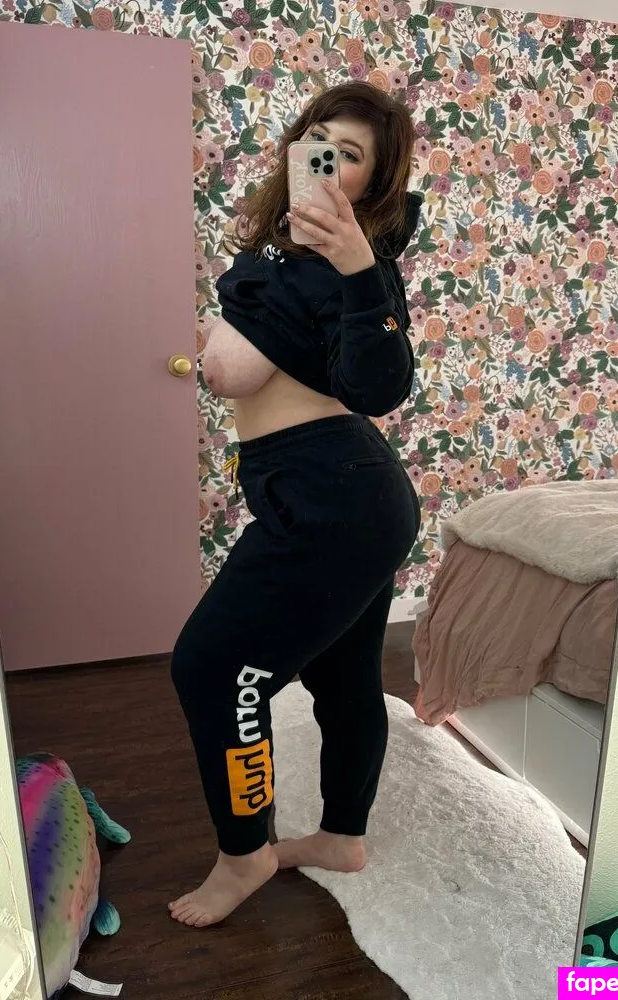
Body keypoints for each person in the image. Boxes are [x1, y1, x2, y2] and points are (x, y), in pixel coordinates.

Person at [168, 81, 422, 928]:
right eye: (319, 140)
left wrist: (357, 267)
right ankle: (343, 838)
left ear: (371, 184)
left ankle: (245, 854)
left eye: (350, 156)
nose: (327, 161)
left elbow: (379, 385)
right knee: (342, 677)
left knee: (213, 669)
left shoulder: (363, 266)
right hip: (327, 490)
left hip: (337, 495)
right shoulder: (280, 253)